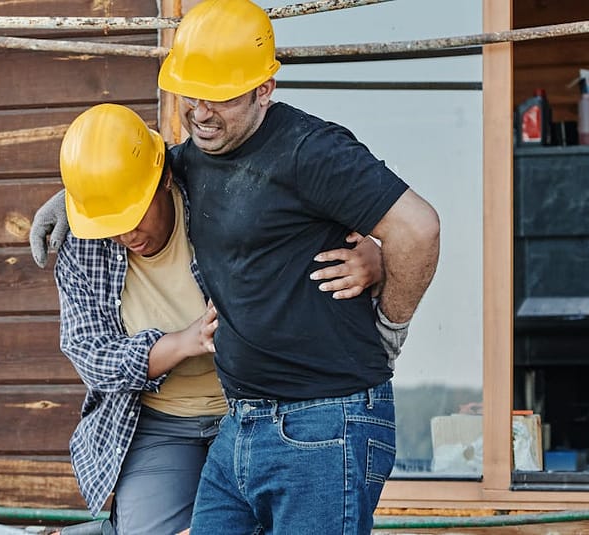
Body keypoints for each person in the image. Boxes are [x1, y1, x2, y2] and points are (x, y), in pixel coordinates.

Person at [156, 0, 441, 532]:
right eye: (190, 92)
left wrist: (391, 324)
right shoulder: (195, 155)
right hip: (240, 425)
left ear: (265, 89)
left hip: (324, 422)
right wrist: (68, 197)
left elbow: (417, 229)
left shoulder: (310, 150)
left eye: (220, 97)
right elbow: (147, 171)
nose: (199, 110)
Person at [48, 103, 388, 535]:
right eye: (106, 222)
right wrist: (181, 343)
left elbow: (297, 215)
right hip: (159, 421)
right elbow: (92, 358)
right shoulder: (83, 246)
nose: (123, 234)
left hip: (255, 408)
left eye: (132, 215)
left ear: (165, 178)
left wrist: (377, 254)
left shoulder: (218, 191)